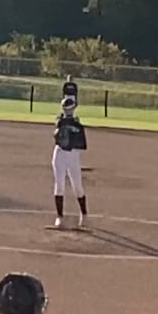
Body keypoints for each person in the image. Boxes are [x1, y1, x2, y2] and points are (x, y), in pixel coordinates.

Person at [50, 97, 89, 230]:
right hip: (60, 154)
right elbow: (57, 137)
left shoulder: (78, 125)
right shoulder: (60, 121)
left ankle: (84, 214)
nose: (67, 110)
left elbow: (83, 145)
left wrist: (73, 138)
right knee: (59, 185)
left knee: (77, 186)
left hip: (73, 155)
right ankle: (59, 217)